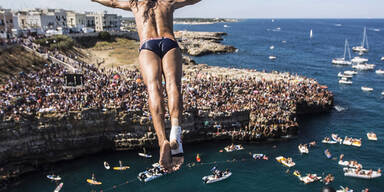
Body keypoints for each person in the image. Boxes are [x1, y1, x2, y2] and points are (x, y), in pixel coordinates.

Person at [91, 0, 202, 172]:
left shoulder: (136, 4)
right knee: (173, 86)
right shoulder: (167, 1)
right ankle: (175, 135)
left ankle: (162, 140)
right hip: (169, 42)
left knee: (153, 89)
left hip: (148, 45)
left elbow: (112, 2)